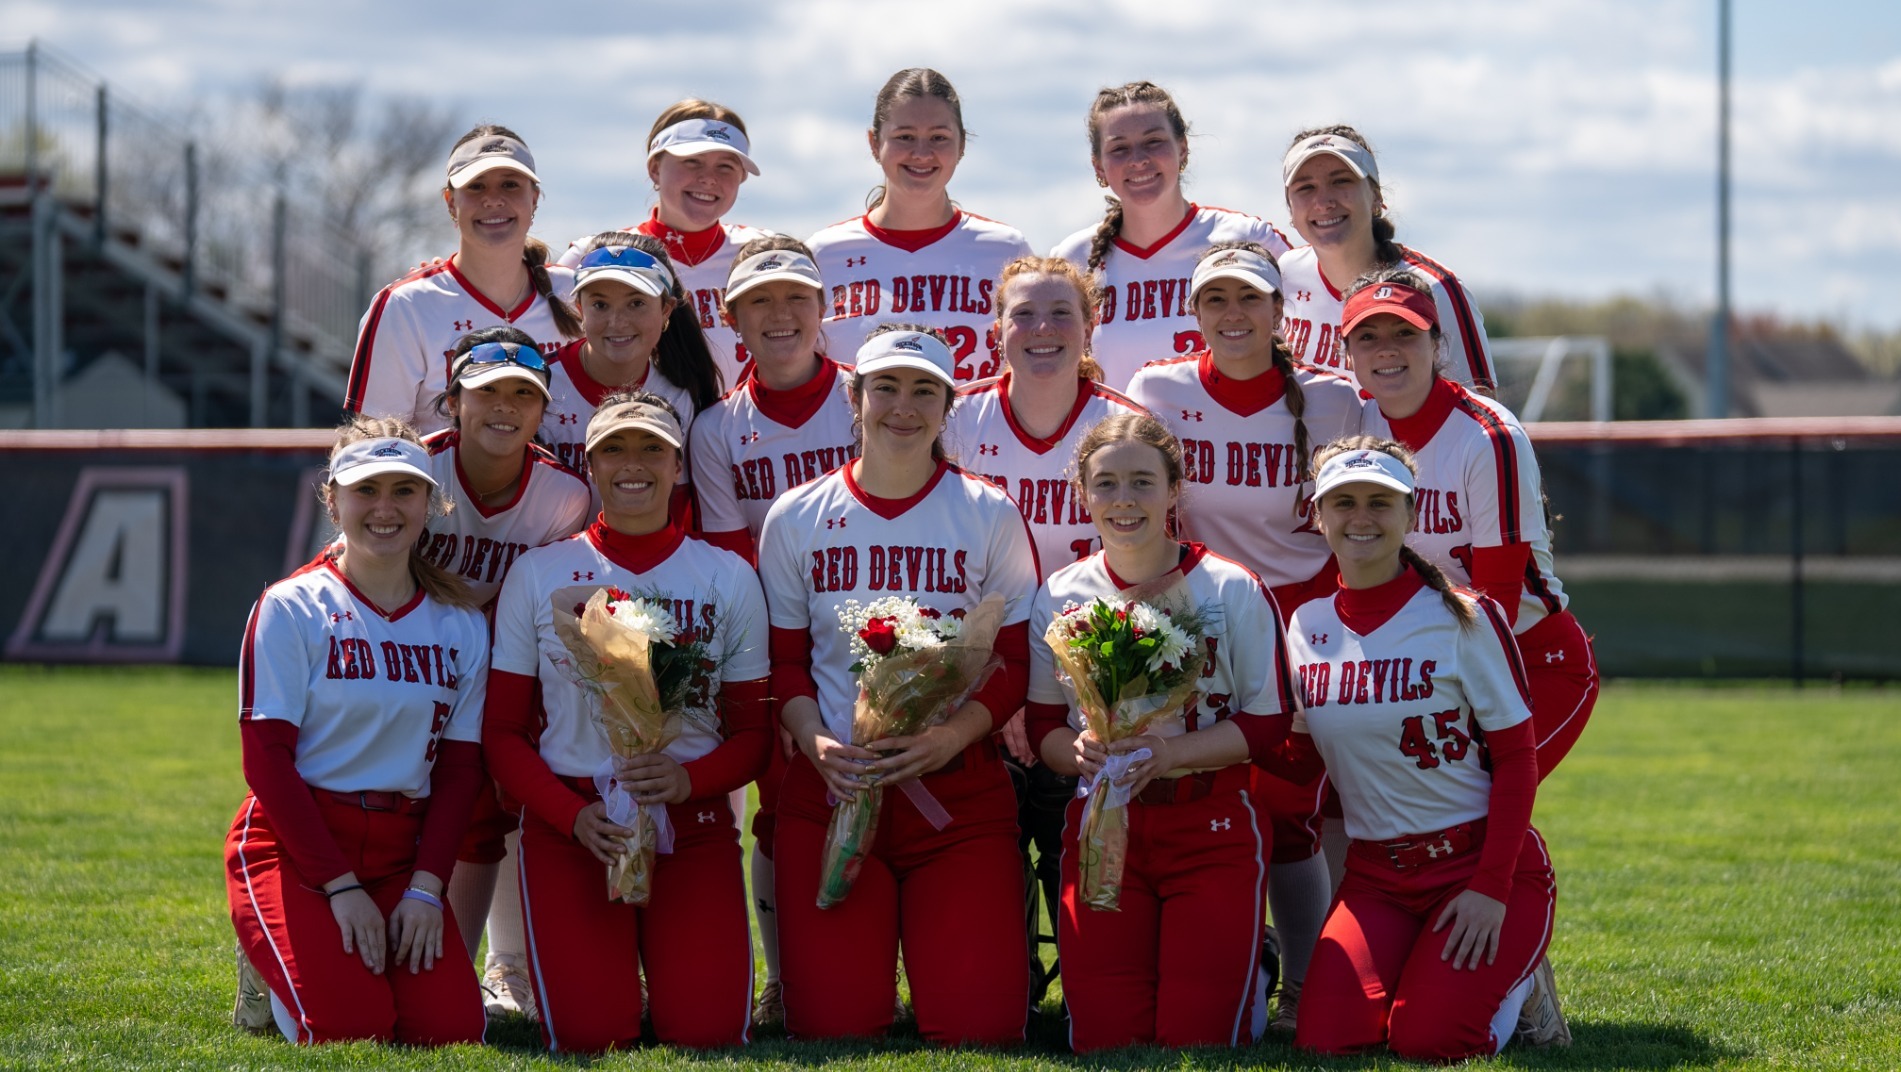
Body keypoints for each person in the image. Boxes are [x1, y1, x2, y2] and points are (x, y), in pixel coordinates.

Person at [756, 326, 1038, 1043]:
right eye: (886, 387)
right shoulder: (796, 514)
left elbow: (1014, 661)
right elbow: (783, 662)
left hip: (956, 792)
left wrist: (948, 737)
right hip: (834, 787)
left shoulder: (986, 510)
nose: (903, 407)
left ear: (948, 406)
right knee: (833, 1028)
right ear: (855, 398)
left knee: (981, 1028)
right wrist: (812, 740)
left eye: (923, 391)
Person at [483, 393, 770, 1051]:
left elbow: (753, 737)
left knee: (709, 1033)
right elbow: (501, 733)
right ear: (590, 465)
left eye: (651, 450)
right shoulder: (539, 573)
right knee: (591, 1035)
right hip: (576, 829)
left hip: (691, 824)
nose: (631, 464)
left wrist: (686, 781)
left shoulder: (727, 576)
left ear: (677, 467)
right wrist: (568, 814)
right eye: (614, 448)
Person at [1124, 242, 1362, 1030]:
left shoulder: (1333, 401)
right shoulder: (1157, 389)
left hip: (1302, 625)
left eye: (1249, 299)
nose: (1233, 315)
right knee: (1198, 798)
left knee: (1288, 810)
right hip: (1198, 619)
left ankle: (1302, 987)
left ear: (1277, 309)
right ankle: (1214, 964)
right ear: (1193, 313)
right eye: (1215, 300)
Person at [1025, 412, 1299, 1051]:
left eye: (1143, 482)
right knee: (1106, 1041)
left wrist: (1168, 751)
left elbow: (1267, 723)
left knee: (1195, 1041)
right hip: (1101, 821)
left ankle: (1249, 965)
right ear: (1083, 493)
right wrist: (1080, 751)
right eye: (1107, 484)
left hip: (1207, 823)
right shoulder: (1060, 592)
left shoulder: (1230, 587)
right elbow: (1043, 725)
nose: (1124, 500)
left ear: (1175, 488)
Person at [1283, 438, 1561, 1060]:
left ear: (1412, 513)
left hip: (1479, 865)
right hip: (1377, 877)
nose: (1361, 517)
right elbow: (1299, 758)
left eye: (1380, 502)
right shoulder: (1307, 626)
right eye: (1344, 502)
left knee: (1430, 1041)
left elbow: (1517, 758)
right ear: (1319, 515)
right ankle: (1427, 975)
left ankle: (1521, 990)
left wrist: (1490, 888)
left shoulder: (1462, 616)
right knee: (1327, 1040)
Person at [225, 418, 490, 1045]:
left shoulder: (459, 624)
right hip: (298, 845)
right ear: (333, 498)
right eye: (366, 490)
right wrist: (338, 886)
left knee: (452, 1032)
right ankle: (268, 956)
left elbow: (458, 773)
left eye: (404, 490)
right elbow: (267, 764)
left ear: (431, 502)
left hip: (401, 850)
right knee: (350, 1030)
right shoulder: (292, 607)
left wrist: (428, 888)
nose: (385, 508)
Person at [685, 235, 859, 1027]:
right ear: (731, 318)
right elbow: (729, 560)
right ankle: (784, 978)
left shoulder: (870, 396)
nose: (780, 314)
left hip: (874, 640)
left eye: (796, 297)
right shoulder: (718, 428)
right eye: (759, 300)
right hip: (775, 642)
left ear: (824, 309)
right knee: (777, 805)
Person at [1344, 271, 1597, 780]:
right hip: (1418, 658)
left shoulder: (1487, 435)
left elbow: (1497, 598)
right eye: (1368, 336)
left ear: (1437, 343)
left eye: (1405, 333)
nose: (1386, 350)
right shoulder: (1354, 425)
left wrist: (1421, 682)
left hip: (1525, 656)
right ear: (1347, 351)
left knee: (1473, 805)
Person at [415, 327, 591, 1022]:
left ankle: (492, 966)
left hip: (503, 669)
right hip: (406, 662)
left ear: (542, 409)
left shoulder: (562, 493)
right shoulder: (415, 471)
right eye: (487, 391)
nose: (505, 407)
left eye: (524, 393)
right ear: (453, 400)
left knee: (492, 813)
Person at [1050, 81, 1291, 390]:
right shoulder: (1072, 259)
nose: (1138, 159)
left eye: (1153, 142)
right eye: (1119, 148)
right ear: (1098, 166)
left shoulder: (1247, 239)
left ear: (1183, 148)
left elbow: (1306, 341)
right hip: (1110, 438)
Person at [345, 125, 581, 434]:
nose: (493, 200)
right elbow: (378, 445)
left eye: (510, 185)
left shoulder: (577, 293)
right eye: (476, 186)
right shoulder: (406, 306)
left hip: (566, 483)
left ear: (534, 199)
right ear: (450, 202)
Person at [807, 69, 1033, 379]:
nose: (922, 153)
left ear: (962, 144)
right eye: (905, 137)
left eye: (939, 137)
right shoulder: (824, 254)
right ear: (874, 143)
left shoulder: (1006, 249)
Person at [557, 100, 772, 389]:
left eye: (725, 167)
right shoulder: (594, 258)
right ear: (655, 169)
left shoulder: (767, 256)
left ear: (742, 178)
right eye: (692, 161)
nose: (708, 179)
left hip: (745, 432)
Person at [1277, 126, 1494, 392]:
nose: (1323, 202)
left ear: (1376, 197)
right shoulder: (1281, 275)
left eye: (1341, 181)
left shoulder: (1435, 288)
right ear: (1290, 208)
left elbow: (1481, 413)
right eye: (1306, 187)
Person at [540, 234, 721, 526]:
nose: (617, 322)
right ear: (579, 310)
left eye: (636, 303)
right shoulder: (538, 387)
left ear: (666, 310)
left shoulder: (680, 392)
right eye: (600, 305)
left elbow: (680, 513)